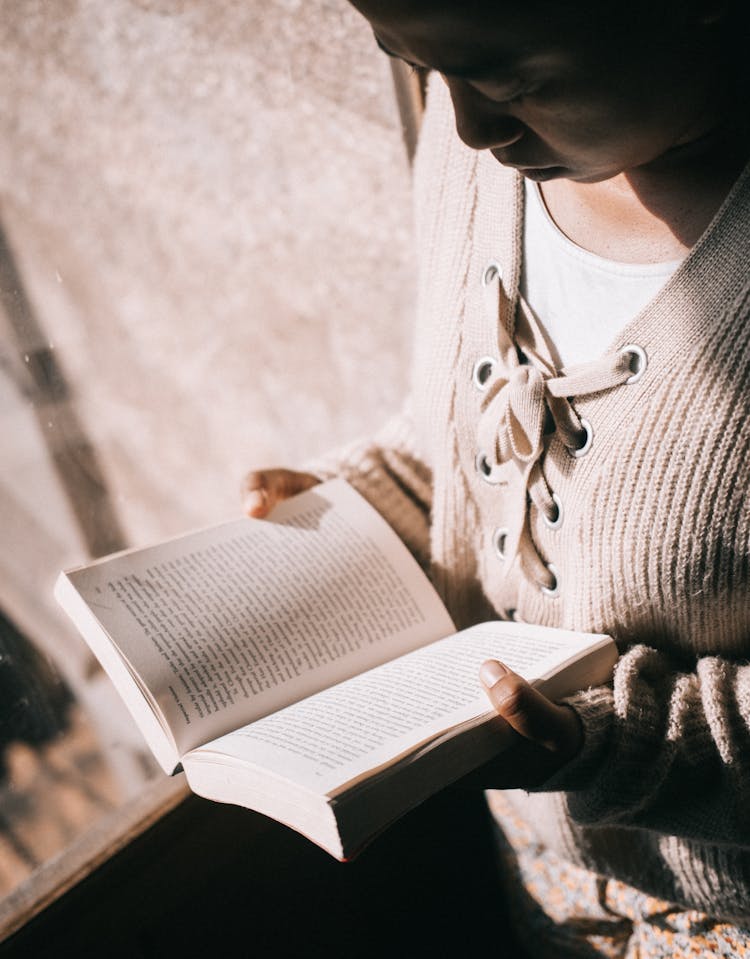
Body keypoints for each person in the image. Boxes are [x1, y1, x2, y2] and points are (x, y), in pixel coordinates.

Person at [241, 1, 750, 955]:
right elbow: (479, 433)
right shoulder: (474, 145)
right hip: (539, 868)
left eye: (516, 79)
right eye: (411, 61)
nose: (473, 126)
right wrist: (359, 501)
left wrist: (618, 744)